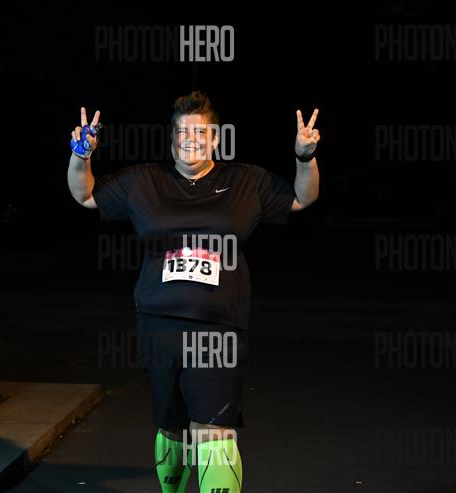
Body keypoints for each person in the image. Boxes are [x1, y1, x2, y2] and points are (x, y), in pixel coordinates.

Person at [67, 91, 321, 492]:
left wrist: (305, 158)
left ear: (216, 139)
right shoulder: (145, 179)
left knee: (213, 430)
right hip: (159, 325)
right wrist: (81, 156)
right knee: (171, 427)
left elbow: (303, 198)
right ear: (172, 139)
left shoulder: (245, 180)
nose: (191, 139)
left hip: (219, 327)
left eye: (200, 132)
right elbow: (84, 195)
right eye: (183, 132)